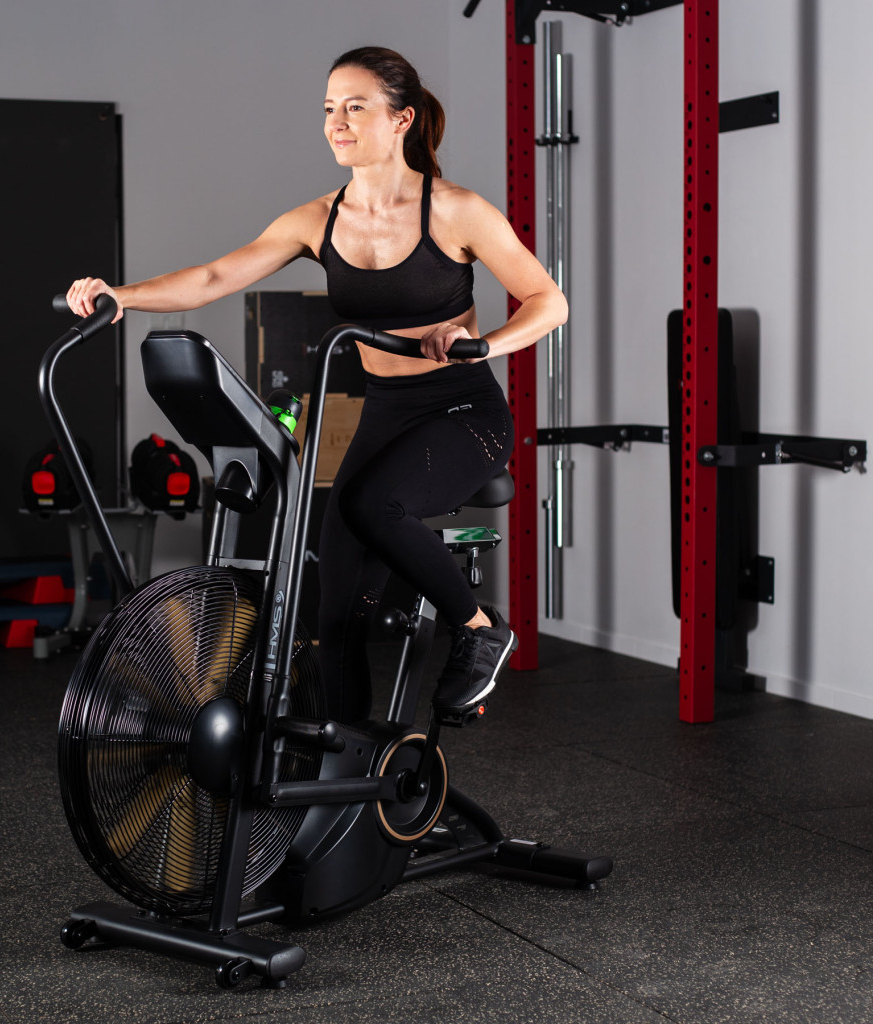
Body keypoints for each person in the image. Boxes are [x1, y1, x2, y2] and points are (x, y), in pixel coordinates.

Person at [66, 46, 568, 724]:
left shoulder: (454, 211)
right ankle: (345, 766)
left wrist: (482, 344)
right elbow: (214, 277)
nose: (337, 122)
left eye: (355, 107)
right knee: (334, 614)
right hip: (383, 416)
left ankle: (479, 628)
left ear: (402, 120)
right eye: (330, 108)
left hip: (462, 412)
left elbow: (548, 301)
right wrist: (120, 296)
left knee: (374, 506)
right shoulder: (317, 220)